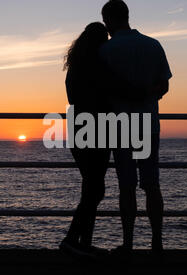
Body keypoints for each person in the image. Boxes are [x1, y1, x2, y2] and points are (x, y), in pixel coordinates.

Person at [60, 22, 145, 258]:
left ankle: (82, 244)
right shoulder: (98, 65)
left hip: (78, 128)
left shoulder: (75, 67)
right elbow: (116, 89)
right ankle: (71, 241)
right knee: (94, 190)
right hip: (97, 129)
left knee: (91, 187)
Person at [99, 0, 173, 254]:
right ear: (128, 16)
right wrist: (145, 94)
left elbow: (102, 90)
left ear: (107, 20)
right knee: (151, 183)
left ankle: (128, 244)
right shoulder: (153, 45)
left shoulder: (106, 50)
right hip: (148, 124)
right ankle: (157, 243)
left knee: (126, 186)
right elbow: (164, 86)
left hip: (119, 126)